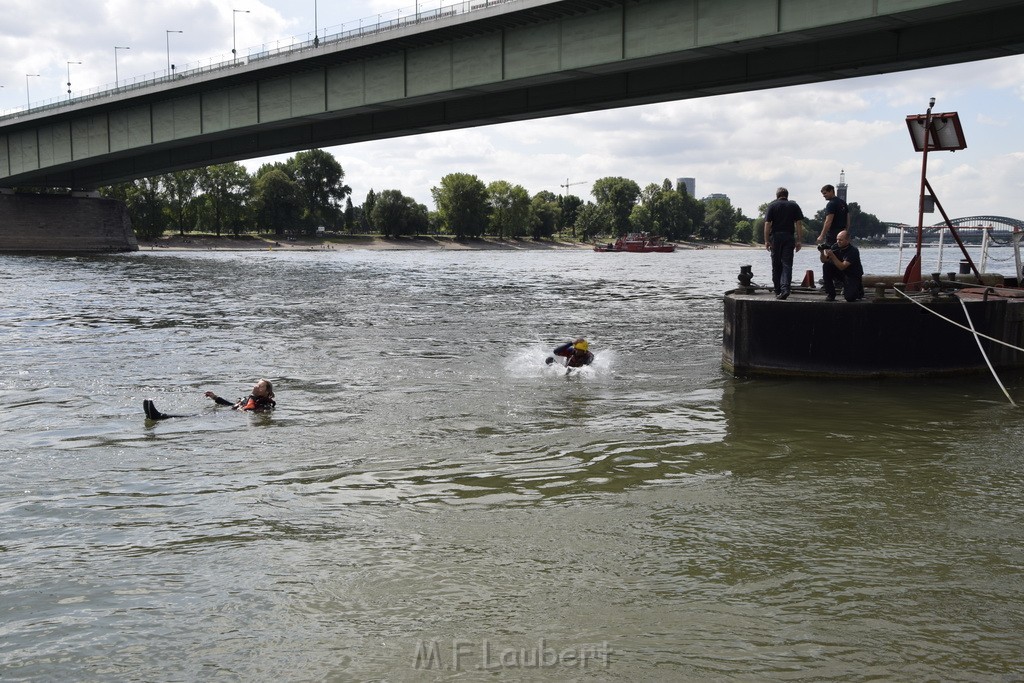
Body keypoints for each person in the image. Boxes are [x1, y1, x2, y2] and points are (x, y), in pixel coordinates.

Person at [143, 378, 276, 420]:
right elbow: (233, 405)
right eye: (256, 385)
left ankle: (158, 416)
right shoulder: (251, 398)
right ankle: (158, 416)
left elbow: (249, 410)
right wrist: (215, 397)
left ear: (266, 392)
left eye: (260, 387)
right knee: (196, 414)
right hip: (227, 413)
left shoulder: (266, 405)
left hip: (227, 418)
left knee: (194, 416)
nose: (256, 387)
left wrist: (252, 395)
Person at [763, 187, 804, 300]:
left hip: (776, 237)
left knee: (776, 265)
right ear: (787, 195)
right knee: (787, 264)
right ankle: (785, 289)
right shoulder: (794, 205)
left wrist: (766, 240)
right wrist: (799, 240)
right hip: (789, 237)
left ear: (777, 195)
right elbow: (799, 224)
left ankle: (777, 290)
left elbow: (767, 224)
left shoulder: (772, 206)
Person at [820, 230, 864, 302]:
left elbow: (842, 266)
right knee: (826, 266)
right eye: (837, 239)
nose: (838, 241)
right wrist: (822, 252)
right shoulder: (835, 246)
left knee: (850, 298)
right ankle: (831, 294)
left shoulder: (853, 251)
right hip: (841, 274)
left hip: (852, 275)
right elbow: (824, 260)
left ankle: (858, 289)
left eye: (840, 240)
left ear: (847, 240)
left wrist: (833, 256)